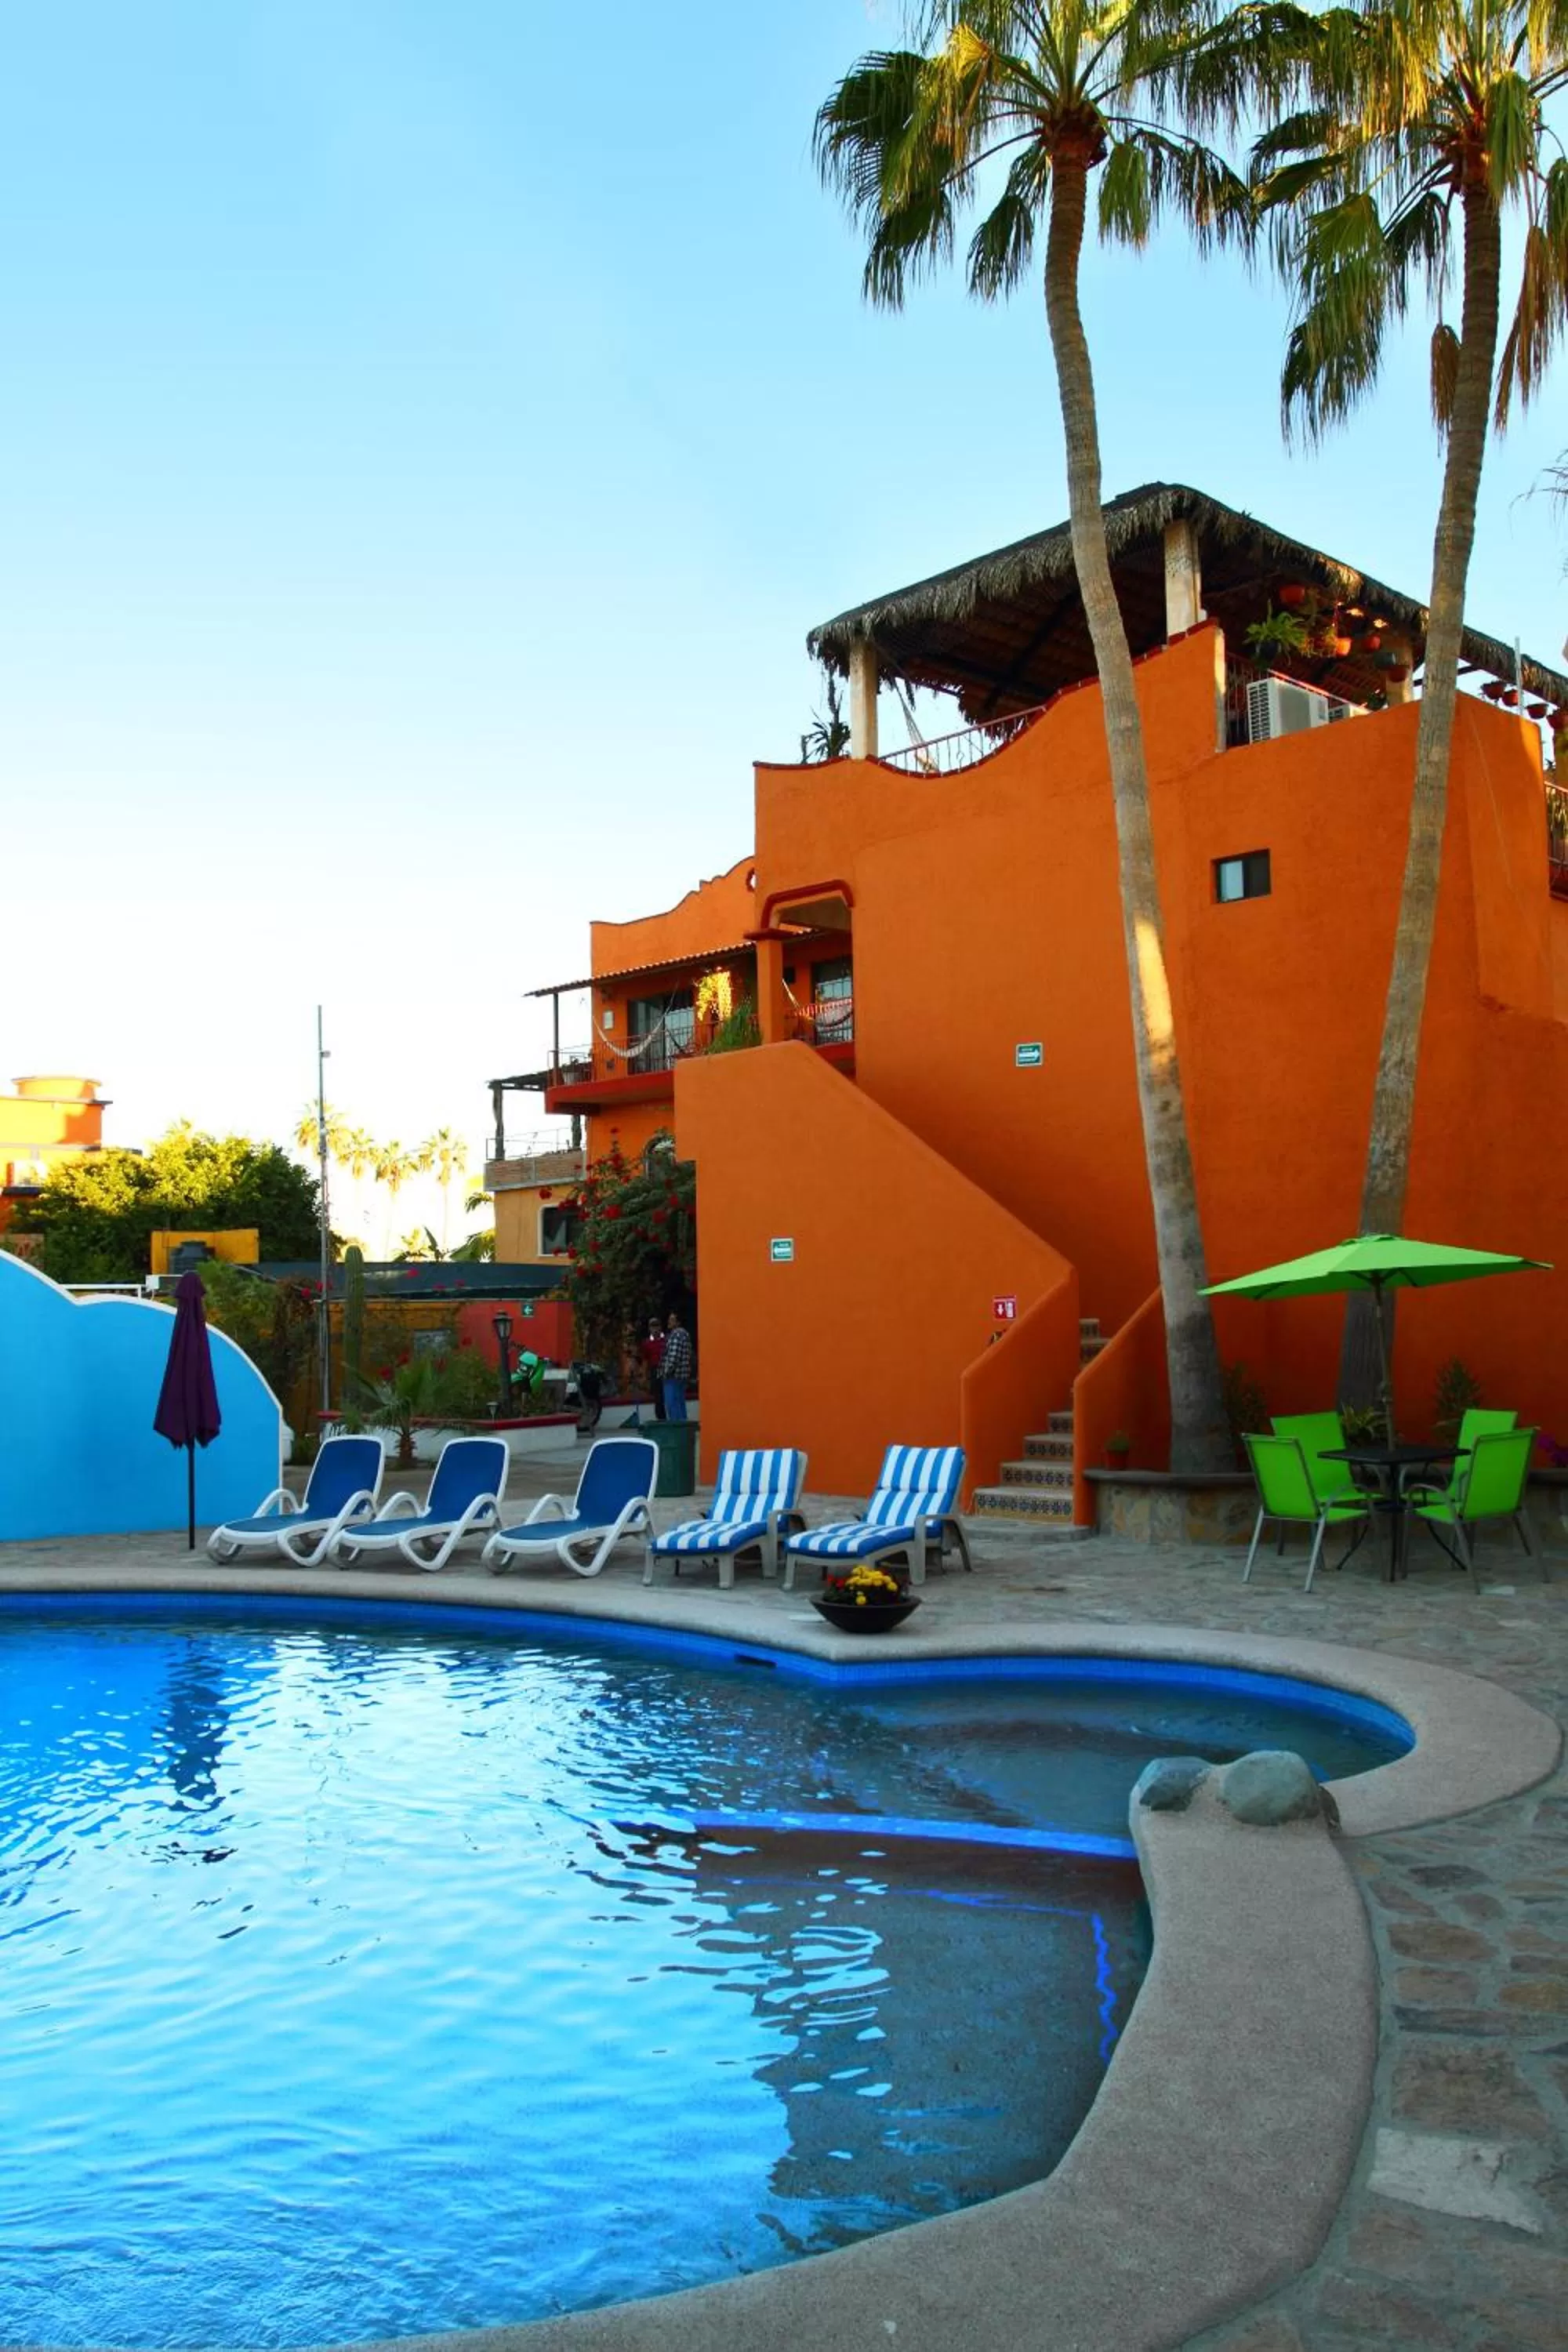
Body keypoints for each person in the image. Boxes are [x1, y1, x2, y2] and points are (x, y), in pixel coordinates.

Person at [661, 1312, 693, 1423]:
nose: (669, 1322)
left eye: (672, 1319)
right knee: (680, 1402)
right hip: (682, 1375)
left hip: (673, 1376)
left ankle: (676, 1429)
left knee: (672, 1404)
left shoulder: (676, 1334)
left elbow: (674, 1356)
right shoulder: (685, 1334)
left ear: (678, 1322)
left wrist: (665, 1372)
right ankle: (683, 1430)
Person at [640, 1318, 666, 1420]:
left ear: (660, 1327)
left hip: (666, 1368)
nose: (655, 1329)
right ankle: (661, 1419)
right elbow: (645, 1360)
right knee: (658, 1397)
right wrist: (644, 1376)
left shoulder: (666, 1339)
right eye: (652, 1326)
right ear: (649, 1328)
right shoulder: (647, 1343)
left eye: (657, 1326)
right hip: (654, 1370)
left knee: (668, 1395)